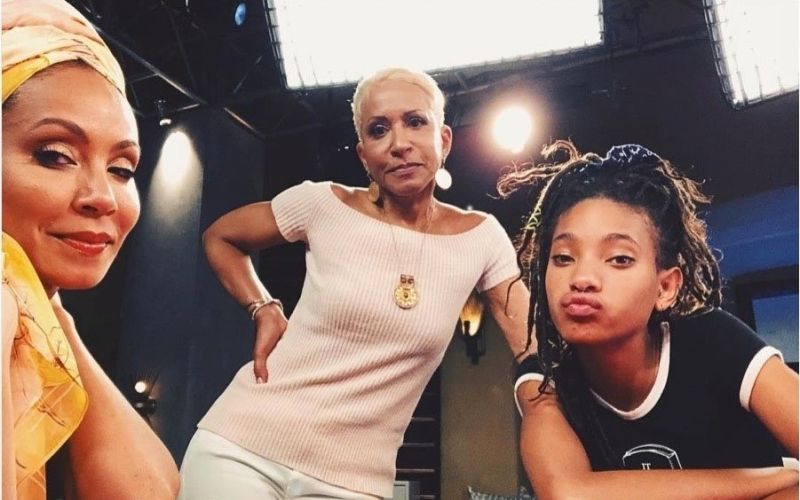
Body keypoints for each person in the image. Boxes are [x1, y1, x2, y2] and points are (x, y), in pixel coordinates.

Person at [179, 67, 532, 499]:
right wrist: (263, 308)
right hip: (241, 448)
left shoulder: (481, 238)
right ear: (364, 156)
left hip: (354, 481)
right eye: (379, 130)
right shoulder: (322, 204)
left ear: (444, 140)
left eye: (415, 122)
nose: (399, 143)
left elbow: (531, 346)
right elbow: (221, 236)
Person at [500, 140, 799, 499]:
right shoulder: (544, 379)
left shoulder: (713, 341)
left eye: (619, 259)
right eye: (563, 257)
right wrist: (777, 478)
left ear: (666, 287)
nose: (582, 278)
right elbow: (567, 492)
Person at [1, 1, 181, 498]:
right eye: (54, 155)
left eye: (122, 169)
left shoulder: (30, 308)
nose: (102, 197)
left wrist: (54, 313)